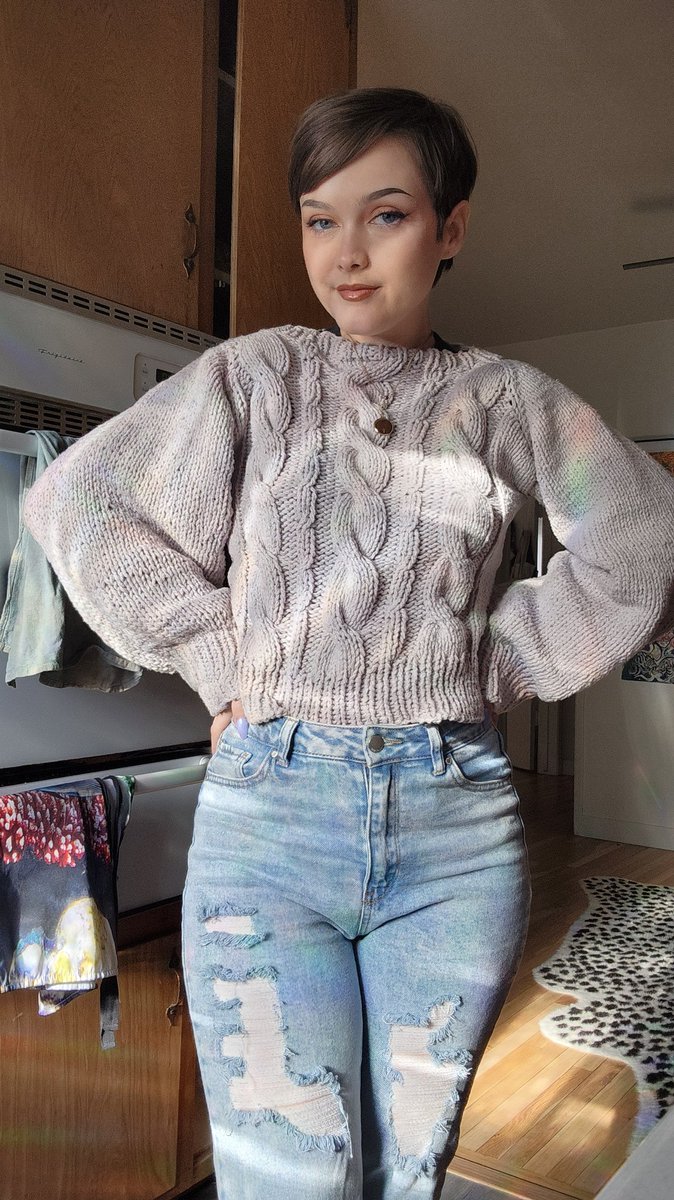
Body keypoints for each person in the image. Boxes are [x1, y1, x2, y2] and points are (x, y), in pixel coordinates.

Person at [23, 87, 674, 1200]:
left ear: (450, 228)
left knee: (403, 1174)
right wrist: (219, 658)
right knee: (288, 1177)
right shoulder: (253, 376)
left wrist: (498, 659)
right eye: (320, 220)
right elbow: (79, 504)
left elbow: (641, 537)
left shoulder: (506, 400)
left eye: (386, 215)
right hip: (266, 828)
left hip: (455, 834)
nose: (347, 253)